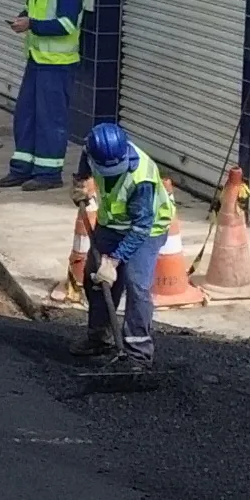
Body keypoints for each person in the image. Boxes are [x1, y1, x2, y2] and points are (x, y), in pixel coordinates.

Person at [71, 122, 172, 370]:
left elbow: (140, 228)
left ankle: (138, 354)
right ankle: (99, 337)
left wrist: (114, 260)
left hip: (147, 230)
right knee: (96, 278)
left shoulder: (142, 178)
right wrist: (81, 181)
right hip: (111, 224)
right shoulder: (93, 148)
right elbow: (85, 153)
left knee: (137, 286)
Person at [0, 0, 83, 188]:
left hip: (57, 66)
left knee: (50, 120)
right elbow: (32, 10)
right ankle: (22, 167)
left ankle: (48, 174)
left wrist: (32, 24)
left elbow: (67, 25)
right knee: (25, 115)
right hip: (36, 61)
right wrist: (23, 18)